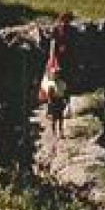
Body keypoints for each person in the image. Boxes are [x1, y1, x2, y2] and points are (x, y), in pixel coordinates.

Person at [38, 13, 74, 143]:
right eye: (65, 22)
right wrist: (53, 61)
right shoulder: (56, 31)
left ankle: (60, 129)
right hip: (56, 60)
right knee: (50, 82)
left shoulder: (67, 31)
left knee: (62, 83)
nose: (66, 24)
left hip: (64, 59)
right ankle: (48, 104)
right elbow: (53, 48)